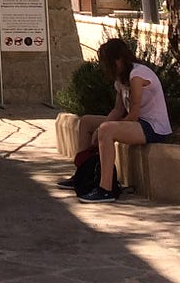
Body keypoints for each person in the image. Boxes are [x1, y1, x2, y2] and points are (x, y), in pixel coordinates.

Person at [73, 37, 173, 202]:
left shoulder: (137, 75)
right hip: (138, 123)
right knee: (86, 122)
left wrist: (102, 129)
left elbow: (133, 114)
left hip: (153, 127)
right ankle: (82, 174)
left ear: (119, 59)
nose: (106, 67)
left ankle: (106, 189)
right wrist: (100, 127)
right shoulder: (120, 80)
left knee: (106, 130)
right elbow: (118, 110)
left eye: (108, 62)